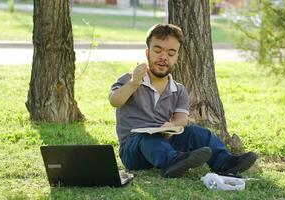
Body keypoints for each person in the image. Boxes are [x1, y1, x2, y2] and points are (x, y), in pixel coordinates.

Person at [109, 24, 256, 178]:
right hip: (134, 150)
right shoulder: (129, 79)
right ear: (147, 52)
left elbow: (181, 119)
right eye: (157, 51)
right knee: (147, 138)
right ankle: (172, 161)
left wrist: (172, 126)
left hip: (165, 140)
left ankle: (225, 162)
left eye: (171, 53)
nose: (163, 57)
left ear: (177, 57)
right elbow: (114, 101)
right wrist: (134, 83)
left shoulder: (178, 90)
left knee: (198, 133)